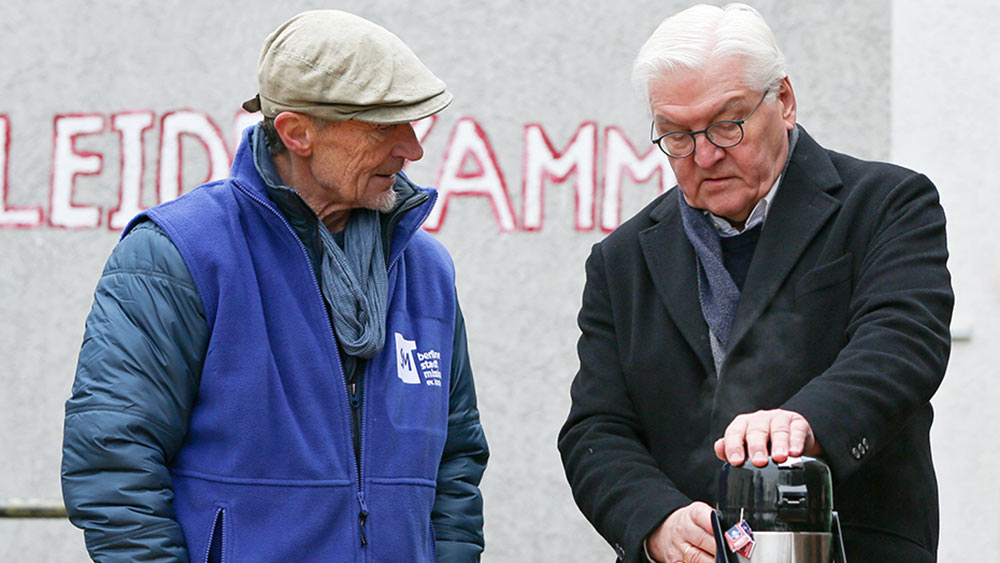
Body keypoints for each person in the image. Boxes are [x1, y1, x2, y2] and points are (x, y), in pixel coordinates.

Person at [61, 10, 488, 562]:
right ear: (296, 132)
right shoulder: (179, 254)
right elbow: (112, 461)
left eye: (413, 124)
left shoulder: (426, 271)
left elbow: (456, 463)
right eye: (384, 125)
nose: (412, 148)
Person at [558, 4, 952, 562]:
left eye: (727, 124)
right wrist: (656, 522)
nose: (706, 154)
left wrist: (804, 422)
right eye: (676, 135)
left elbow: (901, 344)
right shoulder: (620, 259)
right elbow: (596, 428)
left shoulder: (887, 204)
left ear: (784, 101)